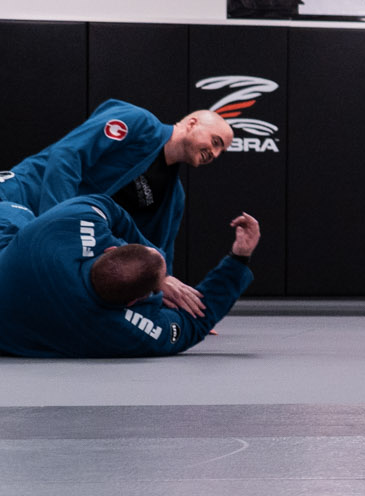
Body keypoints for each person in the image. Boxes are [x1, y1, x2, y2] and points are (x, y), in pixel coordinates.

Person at [0, 101, 234, 318]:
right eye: (215, 142)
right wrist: (55, 225)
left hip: (48, 233)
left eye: (221, 153)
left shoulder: (173, 197)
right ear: (192, 123)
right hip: (16, 196)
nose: (214, 154)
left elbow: (157, 252)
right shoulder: (139, 122)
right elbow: (67, 155)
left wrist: (171, 305)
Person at [0, 193, 258, 358]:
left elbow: (105, 205)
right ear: (134, 301)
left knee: (16, 212)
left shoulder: (72, 222)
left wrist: (159, 275)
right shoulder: (121, 332)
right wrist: (238, 258)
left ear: (109, 250)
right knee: (17, 214)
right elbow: (194, 322)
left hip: (12, 261)